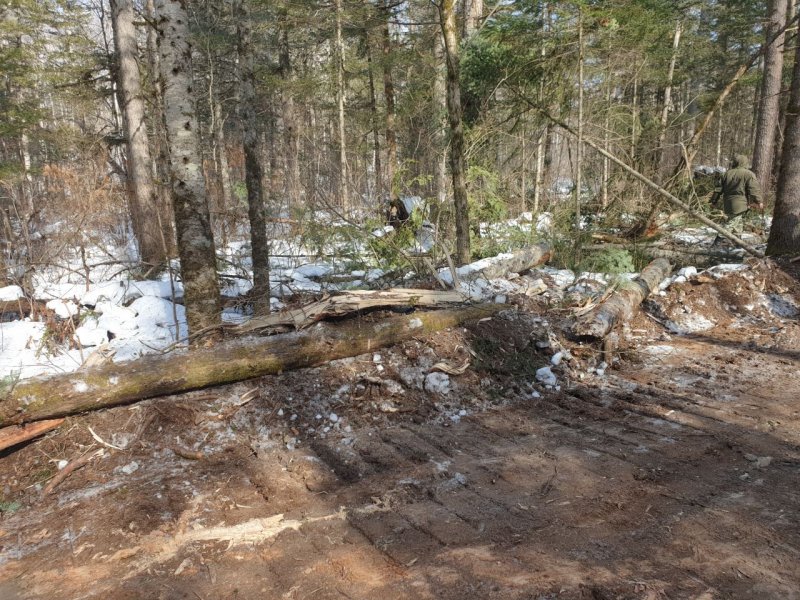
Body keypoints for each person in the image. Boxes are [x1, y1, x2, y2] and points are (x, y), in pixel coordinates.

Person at [710, 154, 763, 246]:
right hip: (740, 203)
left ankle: (738, 244)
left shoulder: (726, 173)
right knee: (730, 223)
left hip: (728, 202)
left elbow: (718, 189)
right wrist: (759, 201)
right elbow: (754, 189)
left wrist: (714, 201)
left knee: (738, 225)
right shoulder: (748, 174)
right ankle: (716, 243)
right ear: (745, 162)